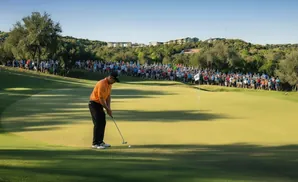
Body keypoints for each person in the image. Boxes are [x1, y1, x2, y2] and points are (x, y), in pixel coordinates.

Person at [88, 71, 120, 149]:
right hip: (94, 104)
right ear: (110, 77)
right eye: (114, 80)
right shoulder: (102, 83)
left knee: (103, 122)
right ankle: (95, 143)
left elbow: (108, 96)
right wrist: (107, 109)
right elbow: (101, 99)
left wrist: (109, 108)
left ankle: (100, 142)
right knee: (98, 123)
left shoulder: (109, 84)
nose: (114, 82)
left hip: (99, 105)